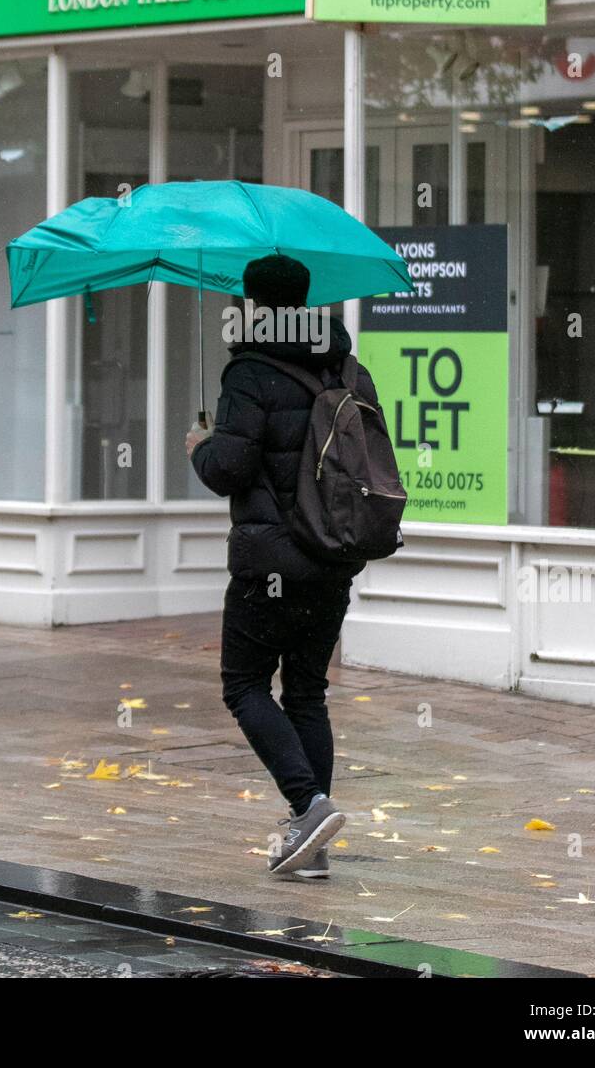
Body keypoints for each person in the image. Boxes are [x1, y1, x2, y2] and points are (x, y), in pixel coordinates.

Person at [185, 255, 381, 878]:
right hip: (333, 555)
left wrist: (201, 448)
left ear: (253, 305)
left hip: (270, 560)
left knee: (243, 685)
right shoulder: (347, 367)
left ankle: (308, 804)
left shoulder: (248, 372)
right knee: (307, 694)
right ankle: (312, 844)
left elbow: (231, 470)